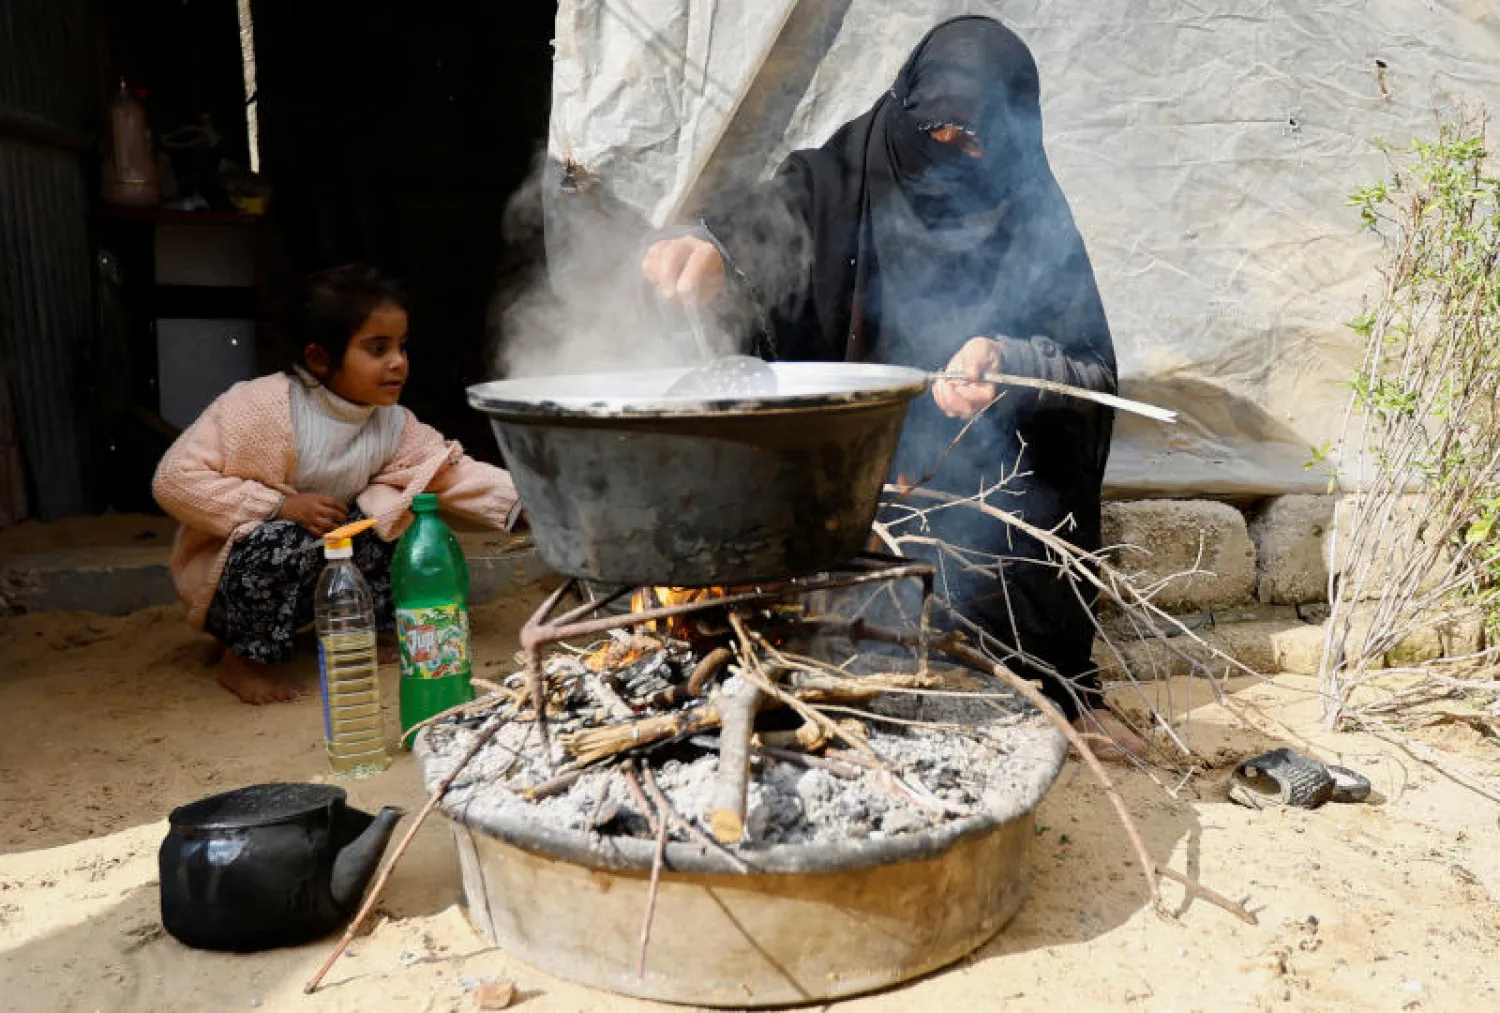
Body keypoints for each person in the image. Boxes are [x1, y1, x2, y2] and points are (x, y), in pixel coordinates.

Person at [641, 16, 1146, 760]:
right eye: (939, 131)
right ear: (907, 107)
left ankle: (1060, 687)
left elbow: (1093, 371)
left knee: (1048, 445)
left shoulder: (1032, 214)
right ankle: (776, 660)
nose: (956, 155)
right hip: (853, 478)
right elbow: (774, 224)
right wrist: (712, 251)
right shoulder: (844, 175)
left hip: (980, 491)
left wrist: (1008, 362)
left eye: (981, 142)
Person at [154, 264, 521, 704]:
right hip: (234, 583)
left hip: (322, 573)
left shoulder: (393, 424)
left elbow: (449, 472)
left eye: (402, 346)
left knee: (396, 521)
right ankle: (242, 660)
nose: (398, 362)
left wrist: (534, 505)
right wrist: (277, 506)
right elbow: (174, 480)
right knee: (281, 540)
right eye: (377, 348)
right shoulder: (258, 407)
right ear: (319, 358)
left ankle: (374, 631)